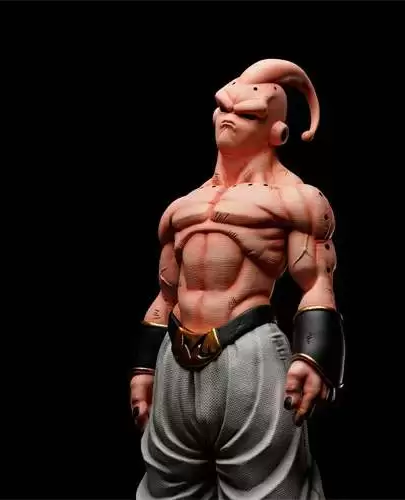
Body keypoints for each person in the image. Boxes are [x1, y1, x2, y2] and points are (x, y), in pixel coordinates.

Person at [130, 59, 346, 500]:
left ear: (277, 132)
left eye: (247, 113)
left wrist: (313, 359)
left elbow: (317, 282)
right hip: (175, 359)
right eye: (223, 108)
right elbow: (165, 294)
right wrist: (144, 367)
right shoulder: (182, 208)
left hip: (248, 354)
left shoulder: (298, 201)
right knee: (165, 489)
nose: (228, 118)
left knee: (269, 491)